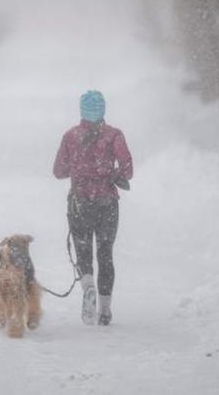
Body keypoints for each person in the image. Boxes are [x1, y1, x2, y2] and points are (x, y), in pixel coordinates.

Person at [53, 90, 133, 325]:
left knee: (83, 251)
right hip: (107, 203)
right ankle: (105, 310)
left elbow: (58, 171)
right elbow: (128, 170)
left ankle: (88, 285)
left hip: (80, 202)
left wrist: (79, 168)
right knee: (105, 254)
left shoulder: (70, 136)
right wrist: (110, 173)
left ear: (82, 111)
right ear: (103, 110)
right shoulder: (114, 135)